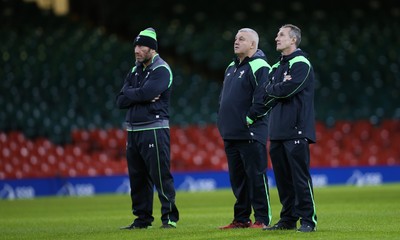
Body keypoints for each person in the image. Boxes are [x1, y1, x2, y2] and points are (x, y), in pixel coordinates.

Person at [116, 27, 179, 229]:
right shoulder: (135, 70)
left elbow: (139, 94)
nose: (136, 49)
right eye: (135, 45)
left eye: (141, 45)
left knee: (160, 175)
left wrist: (132, 93)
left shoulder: (161, 69)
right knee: (138, 178)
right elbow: (120, 100)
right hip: (133, 130)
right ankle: (142, 219)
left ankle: (169, 218)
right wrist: (139, 94)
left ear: (152, 49)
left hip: (154, 129)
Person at [263, 24, 318, 232]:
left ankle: (308, 220)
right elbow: (264, 93)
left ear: (293, 40)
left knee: (299, 178)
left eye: (282, 35)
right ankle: (287, 219)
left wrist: (272, 89)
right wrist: (274, 89)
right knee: (283, 181)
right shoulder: (276, 67)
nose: (277, 38)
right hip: (276, 131)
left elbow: (287, 90)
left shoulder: (301, 63)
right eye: (277, 34)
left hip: (296, 129)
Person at [217, 28, 273, 229]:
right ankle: (241, 218)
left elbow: (264, 97)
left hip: (250, 131)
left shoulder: (260, 65)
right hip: (231, 132)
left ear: (253, 44)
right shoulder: (231, 67)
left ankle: (262, 219)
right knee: (238, 180)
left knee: (256, 177)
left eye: (242, 39)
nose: (236, 41)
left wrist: (249, 119)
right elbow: (224, 98)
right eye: (235, 38)